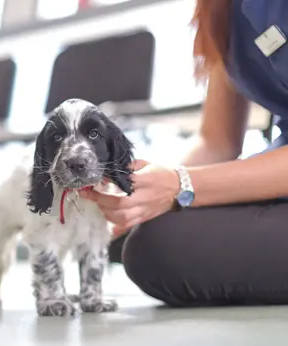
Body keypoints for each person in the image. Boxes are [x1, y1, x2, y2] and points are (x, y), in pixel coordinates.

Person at [81, 0, 288, 307]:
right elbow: (217, 142)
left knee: (158, 248)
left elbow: (186, 180)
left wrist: (181, 184)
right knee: (134, 231)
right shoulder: (221, 9)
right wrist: (140, 186)